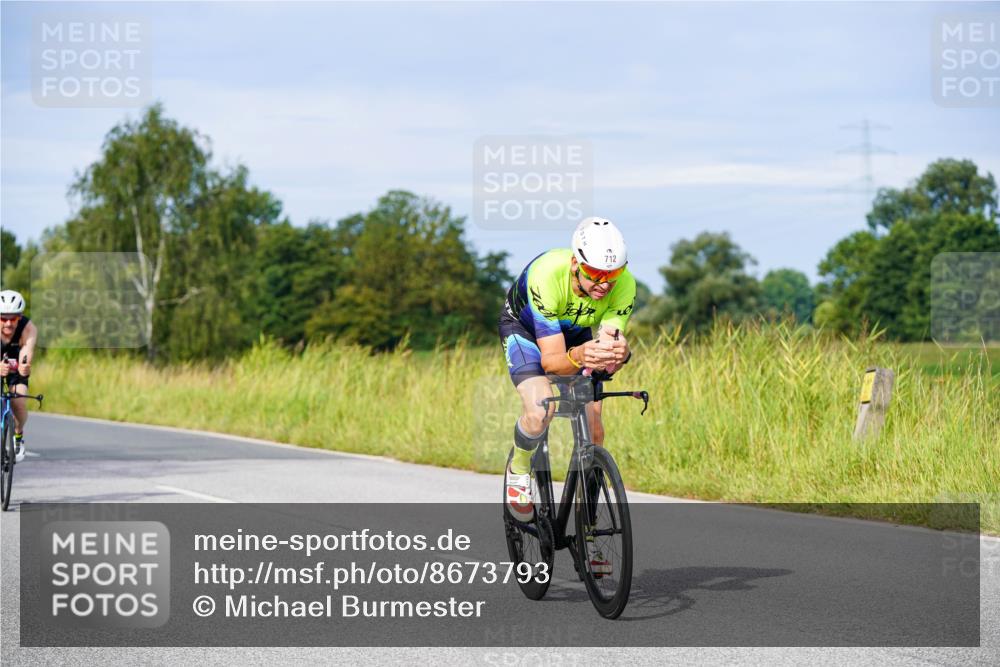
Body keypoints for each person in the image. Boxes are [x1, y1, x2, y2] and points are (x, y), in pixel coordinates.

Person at [498, 216, 636, 573]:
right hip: (527, 331)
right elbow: (554, 361)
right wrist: (580, 356)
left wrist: (615, 356)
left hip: (574, 332)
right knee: (538, 408)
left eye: (613, 275)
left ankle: (588, 534)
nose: (604, 284)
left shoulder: (624, 286)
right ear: (576, 263)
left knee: (595, 428)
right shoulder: (547, 275)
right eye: (595, 274)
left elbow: (608, 348)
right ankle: (521, 469)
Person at [0, 290, 37, 463]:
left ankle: (18, 436)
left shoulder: (28, 328)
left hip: (15, 360)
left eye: (13, 318)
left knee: (19, 401)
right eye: (3, 318)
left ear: (20, 317)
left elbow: (26, 353)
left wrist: (24, 367)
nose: (8, 323)